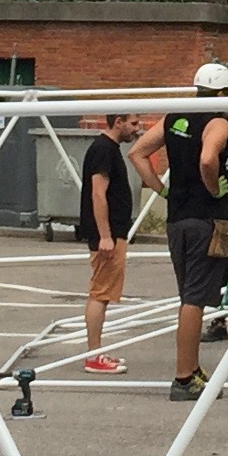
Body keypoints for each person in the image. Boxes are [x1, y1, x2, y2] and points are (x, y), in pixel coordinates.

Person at [159, 62, 228, 402]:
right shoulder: (217, 121)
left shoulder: (175, 117)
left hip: (176, 219)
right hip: (202, 221)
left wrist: (161, 190)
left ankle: (192, 369)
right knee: (194, 301)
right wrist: (214, 189)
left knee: (189, 297)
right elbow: (208, 159)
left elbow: (137, 152)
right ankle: (183, 378)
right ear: (223, 93)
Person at [76, 112, 146, 373]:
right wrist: (105, 235)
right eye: (134, 123)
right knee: (100, 293)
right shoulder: (104, 150)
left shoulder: (109, 148)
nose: (137, 128)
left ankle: (96, 352)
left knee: (103, 293)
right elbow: (98, 193)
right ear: (119, 122)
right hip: (108, 235)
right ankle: (93, 355)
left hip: (114, 232)